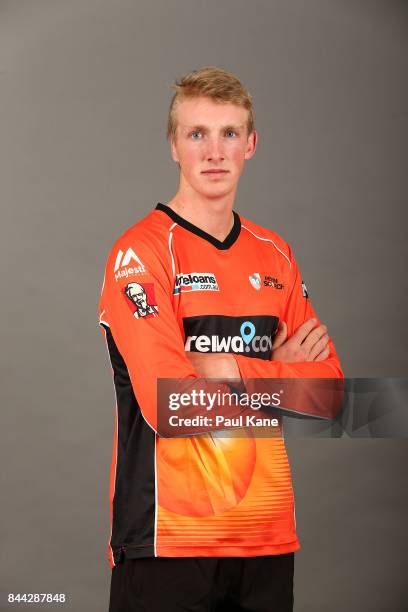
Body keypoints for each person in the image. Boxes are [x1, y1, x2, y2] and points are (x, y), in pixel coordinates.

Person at [98, 66, 343, 612]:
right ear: (173, 146)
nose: (214, 152)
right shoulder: (140, 253)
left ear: (251, 144)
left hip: (267, 536)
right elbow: (172, 408)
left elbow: (331, 401)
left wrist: (232, 370)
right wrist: (281, 375)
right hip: (168, 541)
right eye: (197, 134)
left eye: (229, 133)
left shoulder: (274, 253)